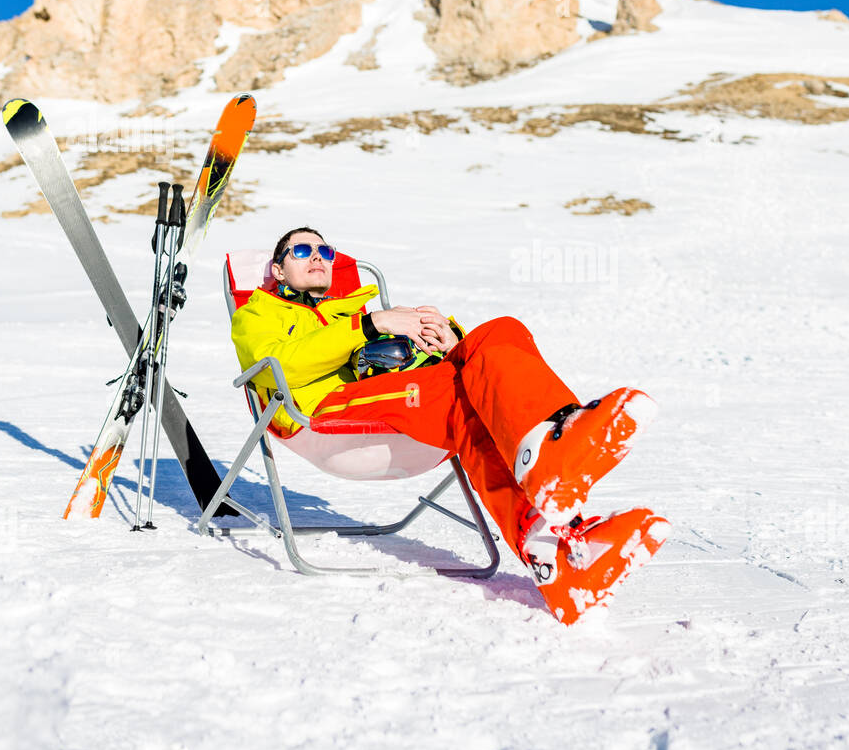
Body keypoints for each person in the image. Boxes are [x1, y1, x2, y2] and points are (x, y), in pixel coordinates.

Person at [229, 227, 668, 623]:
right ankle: (552, 448)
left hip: (397, 398)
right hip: (321, 412)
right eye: (302, 249)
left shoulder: (346, 311)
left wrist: (448, 338)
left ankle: (557, 560)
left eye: (324, 249)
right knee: (459, 390)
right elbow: (276, 366)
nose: (318, 256)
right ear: (277, 267)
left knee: (499, 335)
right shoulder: (259, 313)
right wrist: (372, 324)